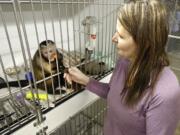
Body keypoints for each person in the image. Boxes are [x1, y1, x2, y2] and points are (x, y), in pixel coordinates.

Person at [64, 0, 180, 135]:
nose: (113, 39)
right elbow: (113, 93)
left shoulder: (165, 91)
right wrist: (85, 80)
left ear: (145, 43)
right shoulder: (124, 61)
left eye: (121, 36)